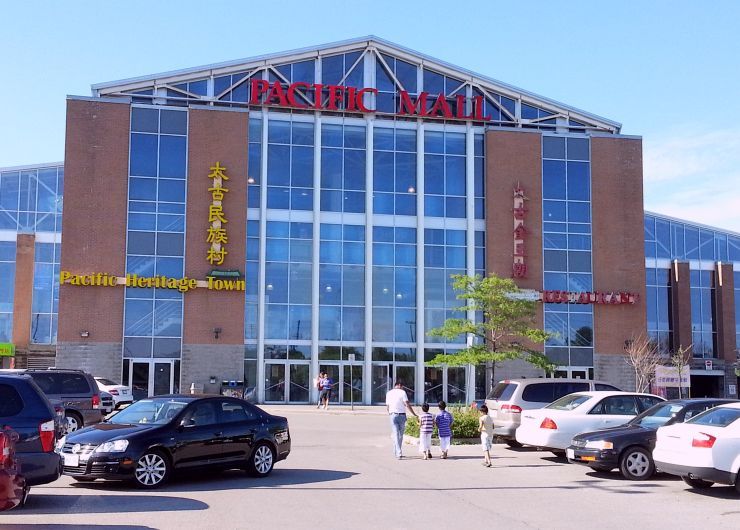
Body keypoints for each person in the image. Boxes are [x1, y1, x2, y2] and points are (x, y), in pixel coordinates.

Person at [385, 381, 417, 459]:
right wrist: (413, 413)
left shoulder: (388, 393)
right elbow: (407, 404)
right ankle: (399, 452)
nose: (402, 388)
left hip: (393, 415)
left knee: (395, 434)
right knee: (400, 435)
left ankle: (396, 451)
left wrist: (390, 413)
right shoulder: (402, 392)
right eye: (402, 386)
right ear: (399, 385)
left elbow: (387, 406)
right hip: (402, 415)